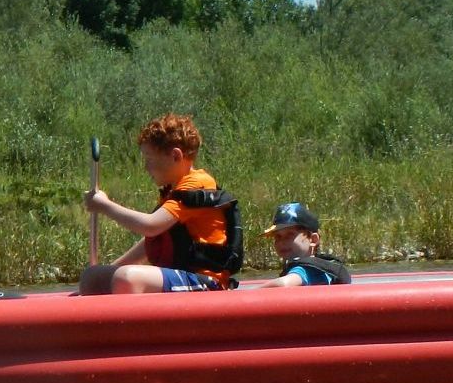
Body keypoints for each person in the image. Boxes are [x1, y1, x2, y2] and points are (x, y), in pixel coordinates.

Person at [80, 114, 243, 293]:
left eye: (149, 159)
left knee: (126, 278)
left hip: (206, 282)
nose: (145, 167)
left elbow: (151, 226)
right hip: (180, 276)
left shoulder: (197, 184)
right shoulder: (173, 191)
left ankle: (134, 320)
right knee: (92, 276)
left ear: (175, 156)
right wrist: (109, 270)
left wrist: (104, 205)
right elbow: (152, 239)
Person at [241, 202, 352, 288]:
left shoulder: (304, 270)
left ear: (313, 239)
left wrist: (248, 294)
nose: (282, 242)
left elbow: (283, 284)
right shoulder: (325, 268)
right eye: (277, 237)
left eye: (290, 235)